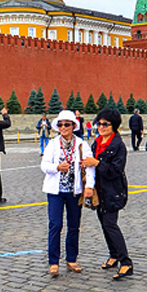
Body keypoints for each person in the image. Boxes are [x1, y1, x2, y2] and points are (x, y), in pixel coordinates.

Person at [40, 110, 94, 277]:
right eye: (60, 124)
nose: (63, 127)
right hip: (55, 191)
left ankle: (71, 259)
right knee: (55, 225)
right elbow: (44, 165)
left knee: (73, 226)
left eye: (67, 124)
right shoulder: (53, 144)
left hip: (74, 191)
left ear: (73, 126)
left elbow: (89, 167)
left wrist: (89, 187)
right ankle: (53, 262)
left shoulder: (81, 145)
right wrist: (56, 168)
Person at [82, 109, 133, 280]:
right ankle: (114, 255)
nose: (101, 127)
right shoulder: (97, 142)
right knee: (104, 224)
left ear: (114, 126)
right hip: (99, 191)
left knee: (111, 225)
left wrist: (96, 163)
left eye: (105, 124)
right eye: (99, 123)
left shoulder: (118, 145)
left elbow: (115, 171)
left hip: (113, 191)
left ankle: (126, 262)